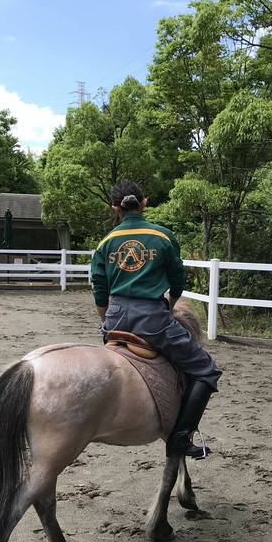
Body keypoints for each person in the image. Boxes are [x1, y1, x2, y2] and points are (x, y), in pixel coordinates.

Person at [90, 180, 221, 460]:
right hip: (152, 319)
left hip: (115, 318)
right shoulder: (162, 236)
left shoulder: (105, 242)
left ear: (115, 207)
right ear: (144, 203)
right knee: (206, 368)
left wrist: (106, 322)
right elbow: (177, 281)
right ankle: (180, 437)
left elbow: (99, 289)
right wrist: (169, 306)